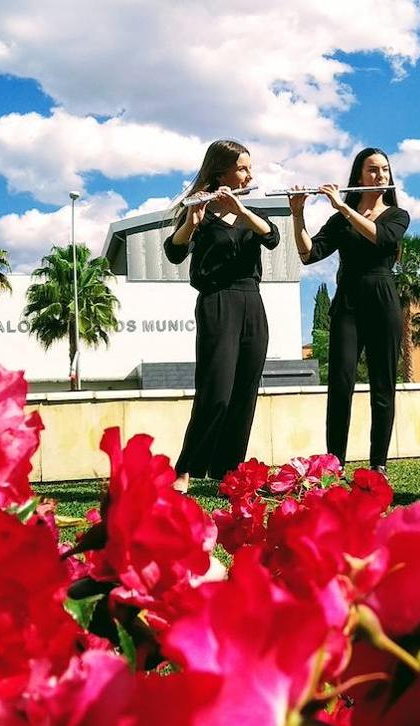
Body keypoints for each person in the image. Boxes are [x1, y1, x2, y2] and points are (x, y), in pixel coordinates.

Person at [164, 139, 280, 493]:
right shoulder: (198, 210)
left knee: (244, 393)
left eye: (249, 168)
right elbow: (173, 252)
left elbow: (272, 238)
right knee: (215, 391)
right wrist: (192, 223)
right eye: (243, 168)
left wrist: (243, 212)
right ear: (222, 171)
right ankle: (184, 470)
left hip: (252, 302)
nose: (249, 175)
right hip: (217, 301)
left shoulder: (250, 214)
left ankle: (228, 472)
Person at [288, 148, 410, 474]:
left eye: (385, 170)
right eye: (373, 170)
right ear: (359, 176)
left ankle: (378, 464)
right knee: (340, 384)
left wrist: (342, 206)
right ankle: (334, 462)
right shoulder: (340, 220)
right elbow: (309, 254)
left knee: (383, 386)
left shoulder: (397, 216)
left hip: (383, 301)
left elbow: (382, 238)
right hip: (348, 304)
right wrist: (297, 215)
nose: (380, 176)